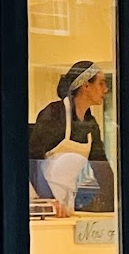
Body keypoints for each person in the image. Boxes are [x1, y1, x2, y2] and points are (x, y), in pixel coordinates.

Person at [29, 59, 113, 217]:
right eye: (101, 83)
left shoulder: (90, 125)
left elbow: (102, 168)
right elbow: (32, 161)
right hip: (41, 203)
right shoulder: (54, 114)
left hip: (66, 203)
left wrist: (115, 201)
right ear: (86, 86)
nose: (106, 89)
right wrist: (48, 201)